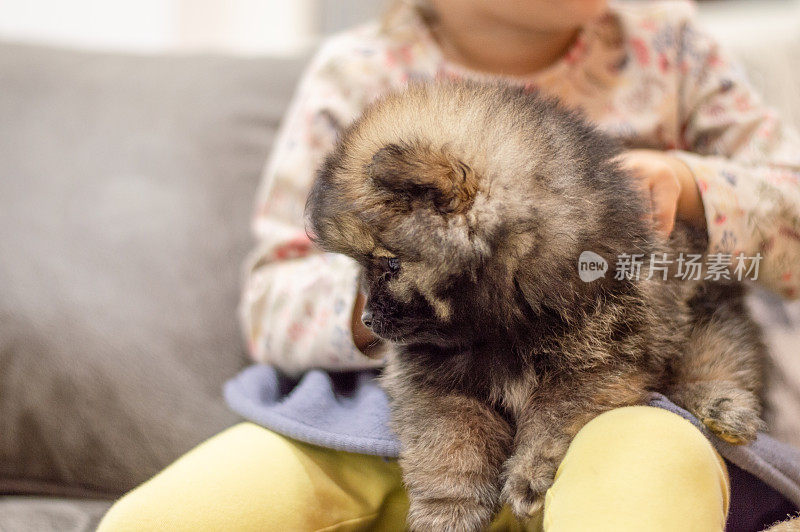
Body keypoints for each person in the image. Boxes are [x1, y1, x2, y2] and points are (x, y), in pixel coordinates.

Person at [99, 0, 800, 530]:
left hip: (620, 401)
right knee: (178, 513)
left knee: (650, 462)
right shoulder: (359, 72)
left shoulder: (672, 46)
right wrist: (386, 294)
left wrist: (694, 185)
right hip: (384, 413)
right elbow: (271, 296)